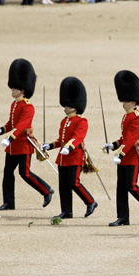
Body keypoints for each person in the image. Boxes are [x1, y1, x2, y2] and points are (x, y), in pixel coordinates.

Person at [103, 70, 139, 227]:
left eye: (126, 100)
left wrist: (120, 153)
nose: (123, 102)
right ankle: (123, 217)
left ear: (134, 101)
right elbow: (124, 138)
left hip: (132, 156)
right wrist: (113, 145)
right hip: (125, 155)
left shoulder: (137, 117)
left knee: (131, 186)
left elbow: (131, 139)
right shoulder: (127, 116)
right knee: (121, 188)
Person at [0, 59, 54, 211]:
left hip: (23, 144)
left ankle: (47, 190)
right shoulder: (15, 104)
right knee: (7, 172)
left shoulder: (28, 106)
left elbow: (21, 126)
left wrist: (9, 138)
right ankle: (9, 202)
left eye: (15, 88)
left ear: (23, 89)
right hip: (13, 146)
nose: (12, 90)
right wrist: (1, 130)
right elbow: (11, 124)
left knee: (25, 173)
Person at [40, 77, 97, 220]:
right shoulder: (64, 121)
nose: (64, 106)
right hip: (63, 157)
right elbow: (61, 140)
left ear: (75, 105)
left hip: (75, 156)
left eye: (67, 104)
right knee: (63, 186)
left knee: (74, 183)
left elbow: (78, 137)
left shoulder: (81, 121)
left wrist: (69, 147)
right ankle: (66, 211)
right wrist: (50, 145)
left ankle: (90, 202)